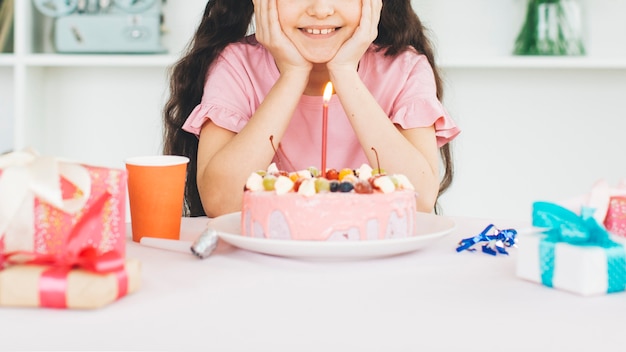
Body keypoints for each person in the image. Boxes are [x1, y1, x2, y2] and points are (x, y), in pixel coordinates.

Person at [163, 0, 460, 218]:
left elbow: (419, 201)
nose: (320, 10)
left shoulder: (405, 68)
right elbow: (221, 203)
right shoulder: (236, 65)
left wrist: (344, 71)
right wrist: (292, 73)